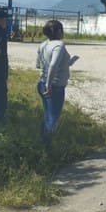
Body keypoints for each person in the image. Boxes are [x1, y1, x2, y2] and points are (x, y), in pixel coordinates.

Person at [36, 20, 76, 148]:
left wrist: (68, 62)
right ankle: (47, 146)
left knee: (47, 114)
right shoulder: (59, 45)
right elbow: (53, 65)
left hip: (41, 83)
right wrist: (49, 84)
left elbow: (39, 64)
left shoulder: (43, 45)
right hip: (54, 86)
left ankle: (41, 140)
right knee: (53, 117)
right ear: (58, 31)